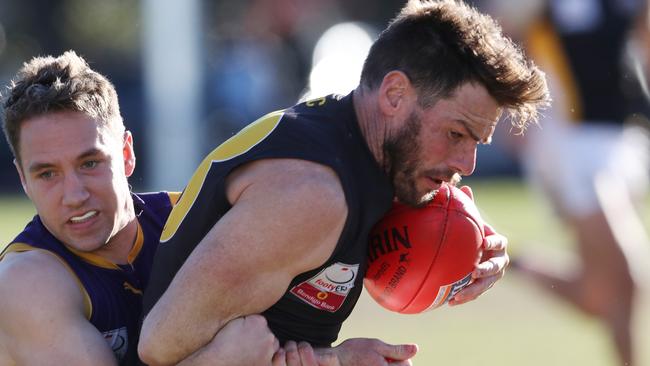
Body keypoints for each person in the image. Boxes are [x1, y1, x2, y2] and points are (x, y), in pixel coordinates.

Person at [138, 1, 550, 365]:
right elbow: (160, 347)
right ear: (394, 94)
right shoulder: (312, 195)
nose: (468, 163)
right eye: (456, 135)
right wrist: (336, 359)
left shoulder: (362, 145)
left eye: (477, 141)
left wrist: (466, 239)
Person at [0, 51, 281, 366]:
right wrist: (219, 360)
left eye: (90, 163)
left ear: (126, 153)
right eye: (47, 174)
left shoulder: (194, 222)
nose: (74, 195)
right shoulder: (23, 283)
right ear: (24, 179)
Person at [480, 0, 650, 364]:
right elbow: (502, 31)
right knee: (628, 277)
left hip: (623, 142)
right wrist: (511, 107)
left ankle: (517, 263)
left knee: (598, 295)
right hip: (568, 144)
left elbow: (641, 34)